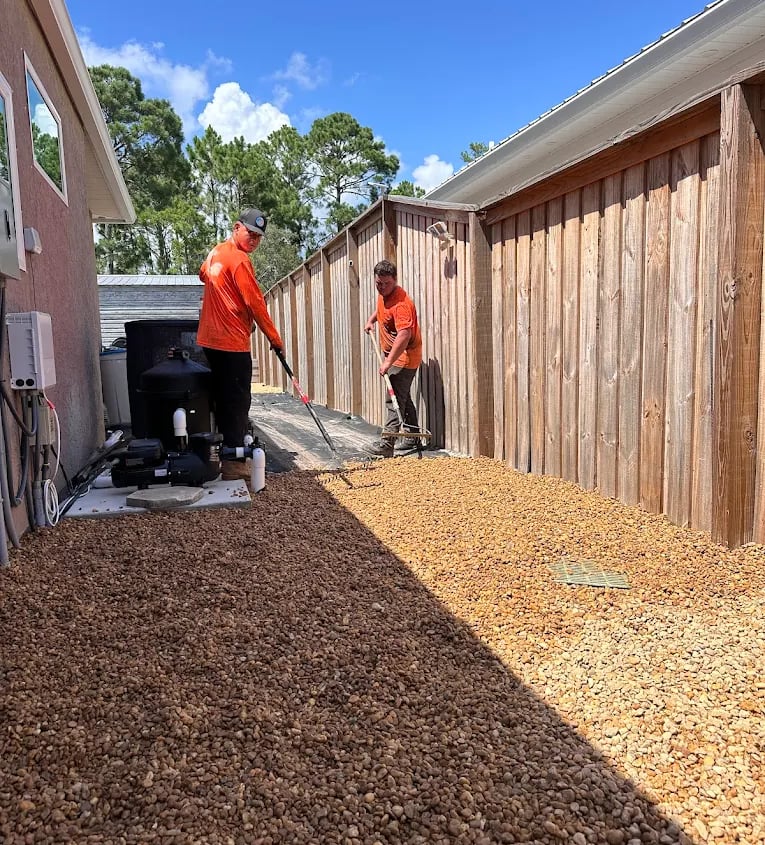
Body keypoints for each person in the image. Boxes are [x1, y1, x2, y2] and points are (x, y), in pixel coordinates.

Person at [198, 208, 283, 482]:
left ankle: (221, 455)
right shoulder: (240, 260)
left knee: (221, 399)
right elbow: (255, 302)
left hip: (209, 340)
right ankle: (234, 465)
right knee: (237, 401)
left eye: (258, 237)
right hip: (231, 342)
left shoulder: (215, 253)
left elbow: (204, 275)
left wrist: (226, 301)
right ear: (237, 227)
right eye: (250, 234)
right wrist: (274, 338)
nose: (254, 241)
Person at [364, 259, 422, 457]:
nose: (381, 287)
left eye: (386, 284)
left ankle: (387, 444)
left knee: (394, 399)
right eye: (378, 283)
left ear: (395, 280)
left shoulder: (401, 304)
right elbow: (382, 309)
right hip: (394, 356)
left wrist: (388, 363)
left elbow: (404, 335)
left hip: (404, 358)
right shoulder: (385, 294)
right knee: (403, 397)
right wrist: (371, 320)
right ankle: (413, 437)